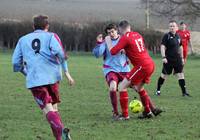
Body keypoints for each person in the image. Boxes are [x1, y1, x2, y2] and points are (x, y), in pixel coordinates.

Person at [12, 15, 74, 140]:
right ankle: (60, 137)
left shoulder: (22, 40)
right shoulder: (52, 36)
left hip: (36, 80)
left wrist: (26, 72)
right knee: (54, 109)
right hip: (53, 78)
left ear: (33, 26)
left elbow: (15, 63)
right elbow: (60, 53)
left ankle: (61, 131)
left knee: (48, 110)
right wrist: (66, 72)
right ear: (47, 26)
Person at [105, 20, 162, 119]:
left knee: (122, 86)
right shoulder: (137, 34)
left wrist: (108, 41)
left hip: (141, 66)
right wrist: (125, 50)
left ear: (120, 29)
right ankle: (148, 112)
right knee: (139, 88)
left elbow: (113, 51)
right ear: (129, 27)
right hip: (150, 64)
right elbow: (134, 49)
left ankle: (125, 115)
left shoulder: (125, 37)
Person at [93, 23, 130, 120]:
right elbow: (97, 54)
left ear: (117, 30)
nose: (111, 34)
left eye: (112, 31)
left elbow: (131, 50)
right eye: (109, 33)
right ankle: (115, 112)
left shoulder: (124, 39)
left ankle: (148, 109)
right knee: (113, 87)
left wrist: (126, 51)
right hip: (110, 69)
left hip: (124, 69)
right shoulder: (106, 41)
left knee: (136, 87)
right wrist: (99, 43)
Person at [155, 20, 190, 97]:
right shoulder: (166, 36)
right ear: (169, 28)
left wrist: (182, 58)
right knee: (164, 76)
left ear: (177, 27)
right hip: (168, 60)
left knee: (181, 74)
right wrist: (163, 57)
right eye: (170, 26)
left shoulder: (178, 36)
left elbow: (180, 46)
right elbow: (162, 47)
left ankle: (184, 93)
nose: (172, 27)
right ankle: (158, 90)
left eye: (173, 26)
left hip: (177, 59)